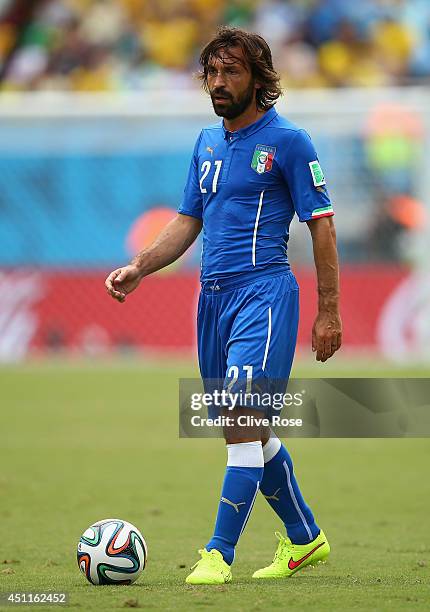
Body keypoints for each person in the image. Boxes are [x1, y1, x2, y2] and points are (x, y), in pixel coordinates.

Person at [105, 26, 342, 585]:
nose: (217, 82)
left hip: (263, 293)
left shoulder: (289, 141)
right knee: (247, 428)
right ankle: (305, 538)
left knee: (241, 419)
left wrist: (328, 310)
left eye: (230, 71)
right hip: (212, 301)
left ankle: (218, 553)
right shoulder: (207, 143)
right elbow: (189, 219)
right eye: (211, 72)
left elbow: (323, 228)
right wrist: (140, 265)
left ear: (260, 80)